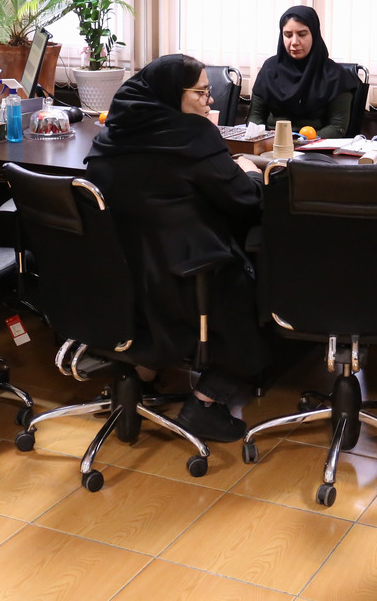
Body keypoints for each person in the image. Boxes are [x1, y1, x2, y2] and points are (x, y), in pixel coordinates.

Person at [86, 54, 269, 442]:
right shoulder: (193, 135)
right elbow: (244, 201)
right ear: (172, 94)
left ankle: (140, 374)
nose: (210, 100)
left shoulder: (111, 134)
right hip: (185, 283)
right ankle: (206, 401)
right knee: (257, 285)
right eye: (201, 92)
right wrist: (252, 174)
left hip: (121, 282)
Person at [248, 5, 359, 138]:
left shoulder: (335, 75)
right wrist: (265, 139)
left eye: (302, 34)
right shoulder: (270, 69)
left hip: (315, 145)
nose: (294, 42)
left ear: (314, 34)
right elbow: (255, 117)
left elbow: (337, 127)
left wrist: (299, 142)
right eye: (288, 35)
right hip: (271, 143)